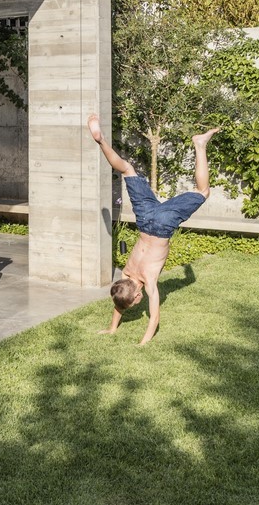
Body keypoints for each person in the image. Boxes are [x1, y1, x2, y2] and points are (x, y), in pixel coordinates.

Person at [87, 113, 218, 345]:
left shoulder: (148, 281)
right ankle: (101, 142)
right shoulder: (125, 274)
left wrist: (143, 342)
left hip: (162, 224)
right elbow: (120, 298)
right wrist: (111, 328)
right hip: (145, 219)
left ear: (138, 295)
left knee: (203, 191)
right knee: (127, 169)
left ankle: (199, 145)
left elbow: (153, 317)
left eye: (137, 300)